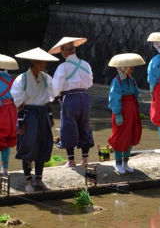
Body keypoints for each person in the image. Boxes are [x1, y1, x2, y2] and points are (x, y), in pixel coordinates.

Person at [11, 47, 58, 193]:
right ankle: (28, 181)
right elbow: (19, 103)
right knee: (28, 147)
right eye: (43, 61)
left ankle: (39, 179)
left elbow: (49, 99)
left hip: (42, 115)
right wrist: (21, 122)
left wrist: (50, 116)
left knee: (43, 147)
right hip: (29, 116)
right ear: (36, 63)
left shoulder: (46, 78)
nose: (45, 64)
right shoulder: (22, 79)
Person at [49, 37, 94, 167]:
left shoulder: (63, 67)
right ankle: (85, 159)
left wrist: (59, 94)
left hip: (70, 98)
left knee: (69, 127)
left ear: (63, 51)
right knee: (85, 126)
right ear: (74, 49)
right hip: (84, 97)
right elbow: (90, 82)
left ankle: (71, 160)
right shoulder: (85, 64)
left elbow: (56, 87)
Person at [107, 53, 145, 174]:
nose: (132, 70)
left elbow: (136, 92)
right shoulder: (116, 81)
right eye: (130, 67)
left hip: (132, 110)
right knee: (120, 136)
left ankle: (125, 162)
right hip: (122, 111)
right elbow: (114, 98)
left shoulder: (131, 80)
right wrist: (117, 113)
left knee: (131, 135)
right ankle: (118, 162)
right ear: (124, 68)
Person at [0, 54, 18, 175]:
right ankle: (4, 168)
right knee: (6, 137)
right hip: (10, 111)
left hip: (1, 111)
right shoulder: (13, 80)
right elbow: (18, 98)